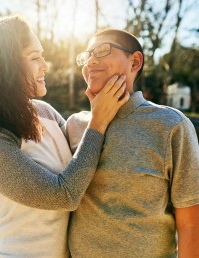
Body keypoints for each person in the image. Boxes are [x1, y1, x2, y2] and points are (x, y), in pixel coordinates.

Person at [0, 16, 129, 258]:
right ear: (7, 65)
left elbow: (84, 152)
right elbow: (64, 195)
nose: (46, 65)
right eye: (35, 57)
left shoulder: (45, 112)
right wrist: (98, 120)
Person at [66, 29, 199, 258]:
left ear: (135, 61)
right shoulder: (74, 125)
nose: (91, 61)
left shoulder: (171, 125)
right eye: (86, 55)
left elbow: (190, 224)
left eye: (102, 50)